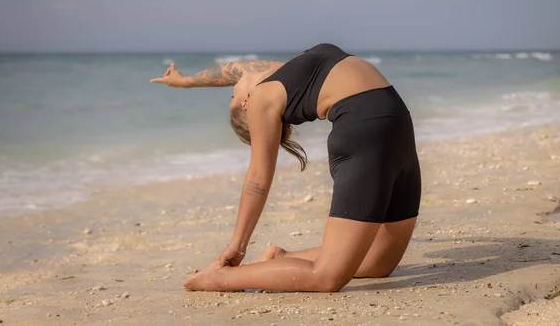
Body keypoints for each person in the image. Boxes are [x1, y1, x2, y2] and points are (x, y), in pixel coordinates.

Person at [150, 43, 421, 292]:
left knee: (378, 263)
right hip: (371, 129)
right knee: (328, 278)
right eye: (230, 99)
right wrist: (237, 246)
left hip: (392, 125)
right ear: (245, 105)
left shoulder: (275, 73)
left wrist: (184, 81)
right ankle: (219, 278)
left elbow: (229, 72)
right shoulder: (261, 97)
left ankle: (283, 258)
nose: (232, 91)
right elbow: (258, 179)